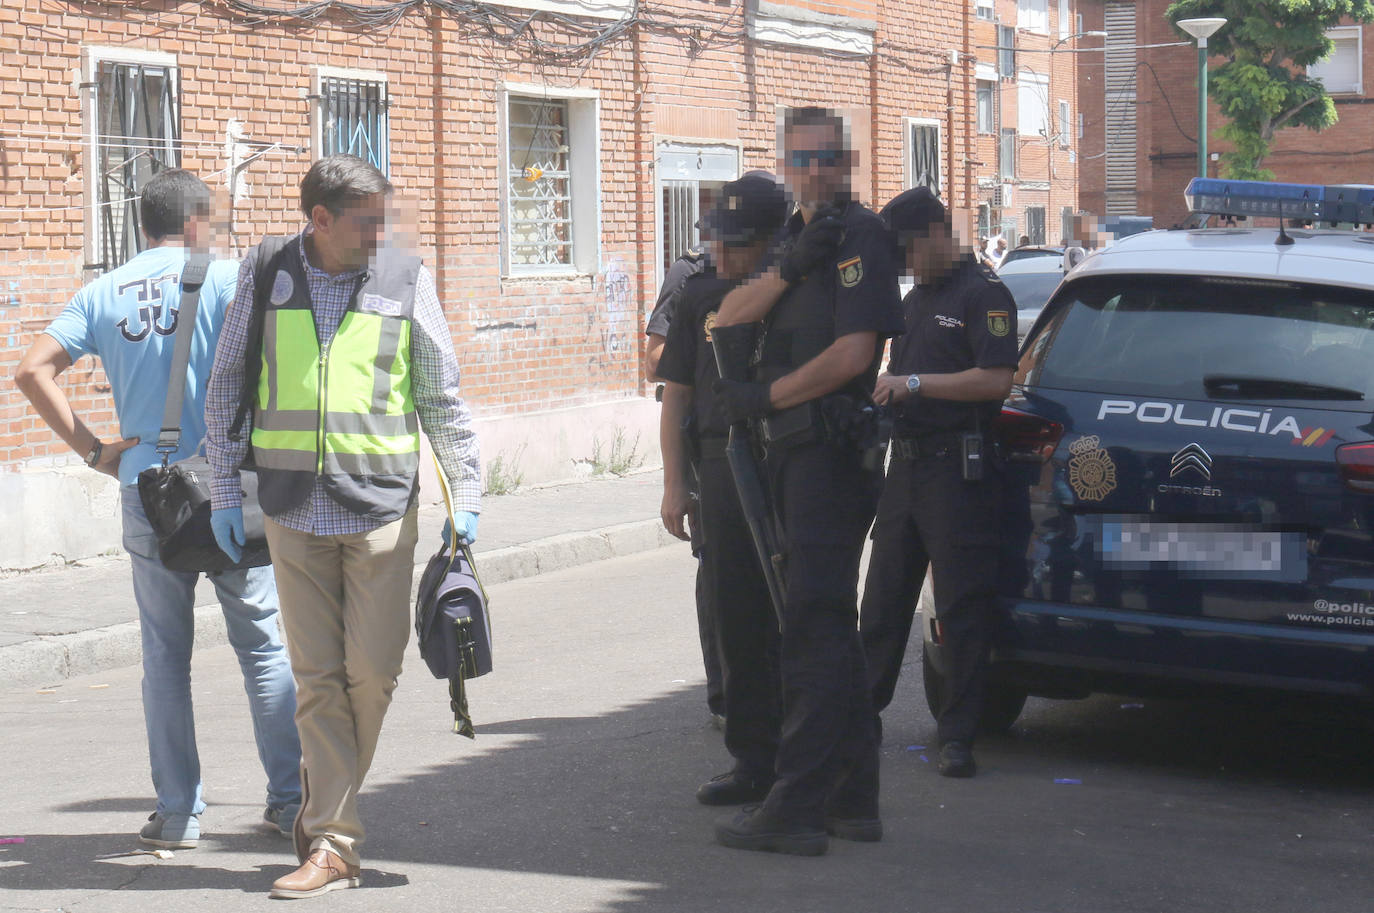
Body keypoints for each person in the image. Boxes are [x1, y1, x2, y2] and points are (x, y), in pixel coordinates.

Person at [203, 154, 481, 899]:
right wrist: (224, 487)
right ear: (320, 221)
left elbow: (440, 392)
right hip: (292, 507)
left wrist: (466, 494)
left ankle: (323, 795)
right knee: (317, 677)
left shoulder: (404, 276)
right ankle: (332, 838)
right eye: (366, 222)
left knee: (374, 673)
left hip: (383, 507)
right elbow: (228, 378)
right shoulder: (266, 271)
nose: (380, 233)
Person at [14, 168, 301, 850]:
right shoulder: (231, 280)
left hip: (151, 493)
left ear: (143, 224)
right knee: (262, 645)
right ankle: (290, 802)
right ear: (198, 223)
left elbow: (30, 370)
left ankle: (178, 813)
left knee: (165, 656)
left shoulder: (101, 292)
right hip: (231, 490)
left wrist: (94, 450)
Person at [709, 106, 904, 855]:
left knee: (813, 627)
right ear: (786, 163)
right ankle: (855, 795)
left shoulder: (862, 236)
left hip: (829, 453)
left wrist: (767, 396)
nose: (817, 171)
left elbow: (856, 353)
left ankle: (797, 802)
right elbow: (726, 314)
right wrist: (790, 266)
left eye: (829, 159)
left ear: (848, 160)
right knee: (824, 624)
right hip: (789, 456)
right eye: (803, 159)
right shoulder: (798, 236)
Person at [858, 187, 1018, 779]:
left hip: (959, 470)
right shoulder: (916, 299)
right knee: (882, 600)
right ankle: (858, 717)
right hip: (909, 466)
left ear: (934, 234)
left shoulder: (984, 295)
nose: (905, 267)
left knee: (960, 608)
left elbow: (995, 380)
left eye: (907, 252)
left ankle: (957, 735)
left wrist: (916, 384)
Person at [658, 171, 788, 808]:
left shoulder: (798, 289)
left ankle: (807, 750)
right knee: (733, 612)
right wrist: (674, 483)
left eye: (738, 242)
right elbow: (676, 392)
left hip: (789, 459)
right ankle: (752, 757)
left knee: (795, 612)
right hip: (720, 460)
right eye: (718, 238)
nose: (723, 252)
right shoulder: (697, 293)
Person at [645, 243, 724, 728]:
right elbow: (656, 359)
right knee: (716, 571)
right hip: (708, 446)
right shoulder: (690, 273)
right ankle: (724, 695)